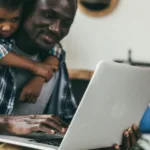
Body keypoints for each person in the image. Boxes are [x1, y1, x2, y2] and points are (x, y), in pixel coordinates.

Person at [0, 0, 141, 150]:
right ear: (24, 11)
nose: (56, 29)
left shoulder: (56, 61)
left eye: (66, 23)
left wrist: (103, 142)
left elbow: (66, 121)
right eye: (48, 15)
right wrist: (7, 122)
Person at [0, 0, 63, 105]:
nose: (7, 27)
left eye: (14, 19)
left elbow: (56, 48)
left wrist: (41, 76)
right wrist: (35, 67)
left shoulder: (20, 33)